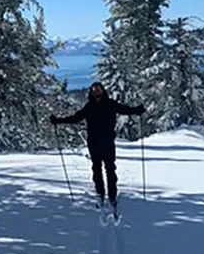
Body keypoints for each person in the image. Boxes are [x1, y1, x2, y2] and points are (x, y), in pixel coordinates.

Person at [50, 81, 145, 209]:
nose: (96, 92)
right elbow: (75, 118)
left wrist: (136, 110)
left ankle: (112, 195)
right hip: (94, 143)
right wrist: (59, 121)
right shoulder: (89, 107)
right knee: (97, 169)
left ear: (102, 90)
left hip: (107, 142)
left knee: (110, 169)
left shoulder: (110, 104)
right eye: (94, 90)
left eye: (98, 89)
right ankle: (100, 193)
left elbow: (124, 109)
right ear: (91, 92)